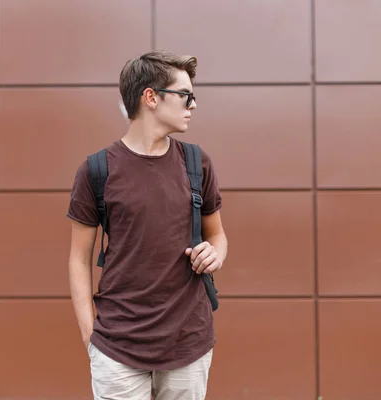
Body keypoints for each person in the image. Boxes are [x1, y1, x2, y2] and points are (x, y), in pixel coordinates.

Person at [66, 50, 228, 400]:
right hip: (117, 348)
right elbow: (78, 259)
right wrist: (88, 333)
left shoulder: (197, 164)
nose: (193, 105)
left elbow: (217, 235)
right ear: (151, 97)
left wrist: (215, 254)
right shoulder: (97, 171)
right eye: (185, 95)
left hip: (188, 344)